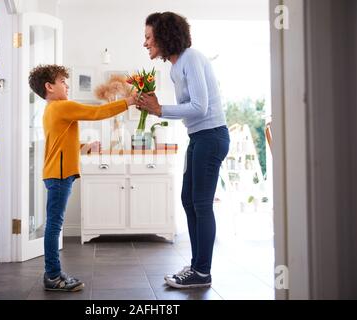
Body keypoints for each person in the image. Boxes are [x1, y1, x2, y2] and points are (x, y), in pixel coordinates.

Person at [137, 12, 230, 289]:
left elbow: (200, 107)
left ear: (164, 36)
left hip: (211, 136)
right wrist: (157, 108)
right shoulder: (177, 66)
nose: (145, 43)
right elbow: (191, 109)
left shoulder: (192, 58)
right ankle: (197, 265)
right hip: (199, 137)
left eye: (148, 37)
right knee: (189, 200)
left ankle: (202, 271)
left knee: (201, 203)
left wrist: (159, 109)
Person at [28, 65, 137, 292]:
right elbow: (96, 113)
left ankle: (53, 274)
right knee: (54, 226)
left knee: (53, 224)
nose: (67, 85)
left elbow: (60, 143)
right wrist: (128, 101)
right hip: (58, 175)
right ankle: (53, 276)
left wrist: (84, 146)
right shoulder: (61, 107)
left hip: (56, 173)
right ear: (49, 87)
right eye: (62, 81)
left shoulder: (52, 110)